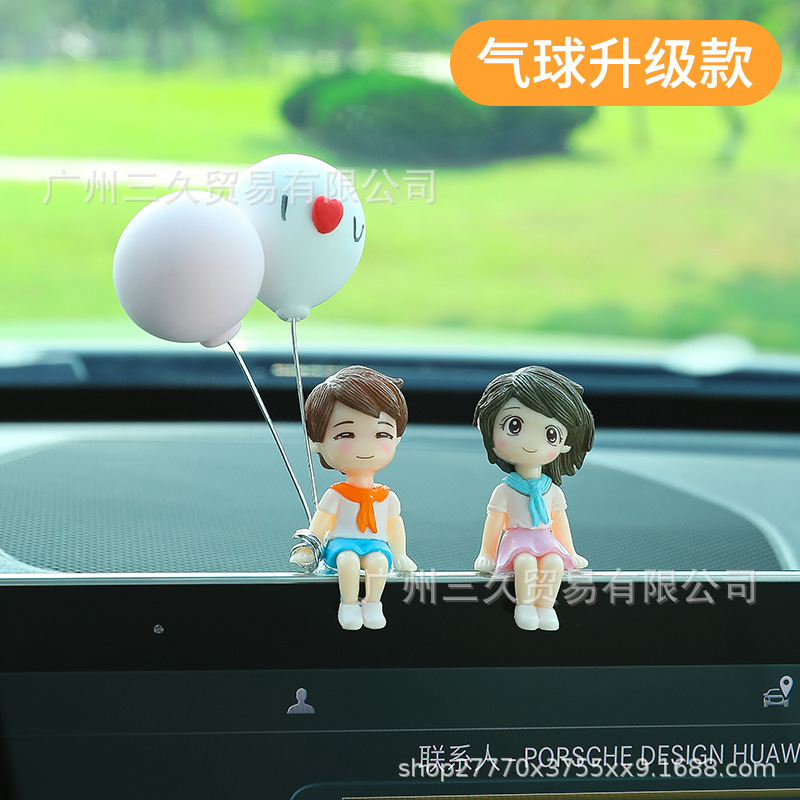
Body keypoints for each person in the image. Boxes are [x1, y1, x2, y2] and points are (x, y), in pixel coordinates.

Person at [290, 365, 416, 630]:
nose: (366, 446)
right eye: (346, 434)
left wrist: (401, 554)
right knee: (347, 561)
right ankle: (348, 604)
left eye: (382, 434)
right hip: (342, 544)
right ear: (318, 444)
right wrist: (308, 547)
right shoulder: (336, 495)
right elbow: (320, 523)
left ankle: (373, 603)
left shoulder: (386, 497)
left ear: (397, 438)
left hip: (375, 544)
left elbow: (394, 526)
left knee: (379, 563)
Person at [473, 366, 594, 631]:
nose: (531, 442)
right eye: (514, 426)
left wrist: (571, 551)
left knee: (554, 563)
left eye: (551, 434)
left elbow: (560, 523)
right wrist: (486, 553)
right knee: (525, 562)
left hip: (545, 538)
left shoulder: (552, 491)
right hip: (517, 540)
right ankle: (525, 606)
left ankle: (545, 606)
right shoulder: (505, 490)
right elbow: (494, 523)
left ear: (565, 444)